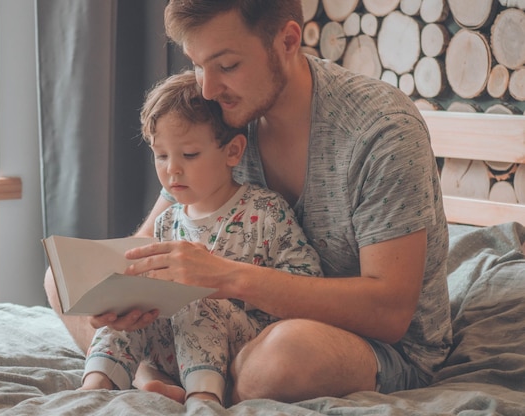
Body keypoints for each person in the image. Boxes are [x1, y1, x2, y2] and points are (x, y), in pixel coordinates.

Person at [46, 0, 451, 405]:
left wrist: (226, 277)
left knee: (283, 354)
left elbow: (390, 313)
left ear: (288, 40)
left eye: (227, 65)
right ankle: (161, 377)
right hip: (220, 325)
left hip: (367, 343)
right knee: (61, 281)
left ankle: (182, 382)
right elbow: (150, 239)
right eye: (197, 64)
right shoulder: (218, 111)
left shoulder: (381, 131)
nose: (206, 88)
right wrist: (118, 298)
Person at [69, 70, 323, 405]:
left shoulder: (266, 211)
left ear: (233, 152)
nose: (172, 169)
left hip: (245, 345)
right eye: (162, 155)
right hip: (173, 347)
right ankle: (96, 385)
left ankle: (203, 399)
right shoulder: (167, 221)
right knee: (128, 305)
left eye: (189, 155)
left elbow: (308, 282)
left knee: (195, 300)